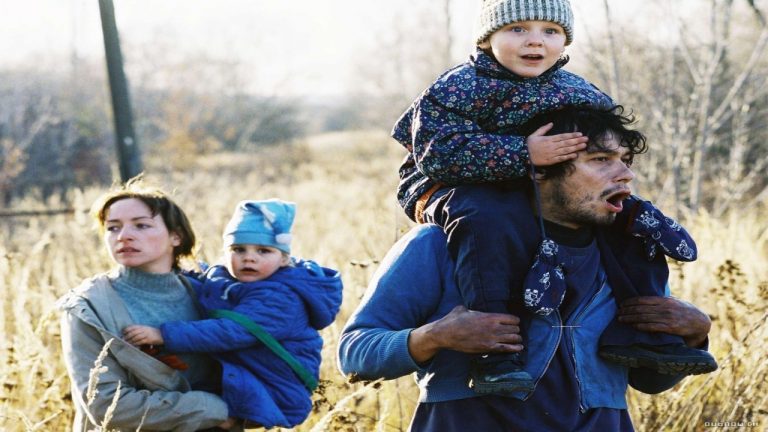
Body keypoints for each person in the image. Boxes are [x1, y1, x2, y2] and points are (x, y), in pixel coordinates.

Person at [390, 0, 710, 394]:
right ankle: (495, 349)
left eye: (550, 31)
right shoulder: (459, 85)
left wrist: (609, 176)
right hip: (448, 185)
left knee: (622, 217)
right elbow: (437, 152)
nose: (535, 42)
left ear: (565, 39)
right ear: (488, 37)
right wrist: (523, 153)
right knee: (486, 215)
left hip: (533, 187)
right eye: (518, 29)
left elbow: (607, 139)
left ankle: (646, 334)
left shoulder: (579, 90)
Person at [339, 105, 717, 431]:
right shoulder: (443, 244)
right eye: (600, 160)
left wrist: (694, 336)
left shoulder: (629, 256)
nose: (625, 175)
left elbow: (649, 381)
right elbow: (355, 354)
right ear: (538, 169)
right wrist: (435, 337)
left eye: (625, 161)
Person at [122, 199, 343, 429]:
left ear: (284, 258)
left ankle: (231, 418)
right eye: (238, 249)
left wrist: (164, 334)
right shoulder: (227, 276)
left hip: (274, 381)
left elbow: (232, 331)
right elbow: (210, 287)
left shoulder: (281, 298)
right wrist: (176, 277)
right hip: (248, 367)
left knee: (221, 417)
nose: (249, 258)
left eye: (263, 251)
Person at [57, 177, 238, 431]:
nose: (124, 236)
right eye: (113, 228)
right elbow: (105, 405)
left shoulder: (210, 295)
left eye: (141, 226)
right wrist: (213, 410)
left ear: (176, 236)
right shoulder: (88, 307)